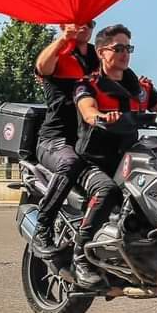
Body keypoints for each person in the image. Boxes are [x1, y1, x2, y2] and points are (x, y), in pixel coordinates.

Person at [72, 24, 157, 287]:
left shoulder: (142, 88)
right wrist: (102, 116)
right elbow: (88, 110)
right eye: (119, 48)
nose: (125, 53)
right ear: (101, 52)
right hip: (92, 162)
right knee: (107, 191)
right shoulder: (88, 84)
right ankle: (80, 257)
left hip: (127, 161)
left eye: (128, 48)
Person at [31, 22, 100, 257]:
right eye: (78, 23)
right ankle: (43, 226)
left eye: (90, 23)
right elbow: (42, 65)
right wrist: (63, 38)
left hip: (87, 141)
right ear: (63, 25)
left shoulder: (96, 56)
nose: (85, 27)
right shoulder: (58, 54)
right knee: (70, 163)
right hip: (55, 140)